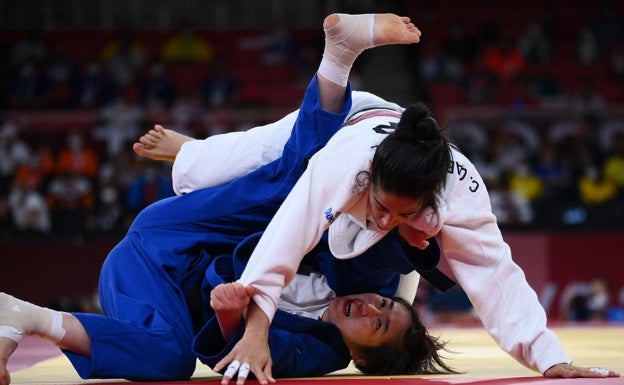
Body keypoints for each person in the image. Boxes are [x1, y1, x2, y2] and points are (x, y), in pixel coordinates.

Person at [135, 16, 620, 383]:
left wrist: (550, 358)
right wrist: (256, 330)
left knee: (394, 276)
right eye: (381, 206)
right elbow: (288, 235)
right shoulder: (348, 165)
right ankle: (194, 145)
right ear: (370, 182)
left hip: (396, 168)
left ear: (432, 203)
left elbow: (496, 276)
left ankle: (332, 69)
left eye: (399, 212)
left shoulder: (461, 194)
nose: (385, 217)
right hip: (345, 125)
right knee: (229, 169)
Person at [1, 12, 450, 385]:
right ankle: (337, 57)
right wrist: (418, 240)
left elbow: (250, 355)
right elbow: (393, 258)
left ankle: (24, 315)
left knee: (169, 361)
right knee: (298, 186)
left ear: (362, 359)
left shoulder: (319, 352)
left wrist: (233, 317)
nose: (369, 307)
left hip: (157, 275)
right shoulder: (369, 272)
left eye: (375, 324)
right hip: (196, 232)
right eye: (384, 306)